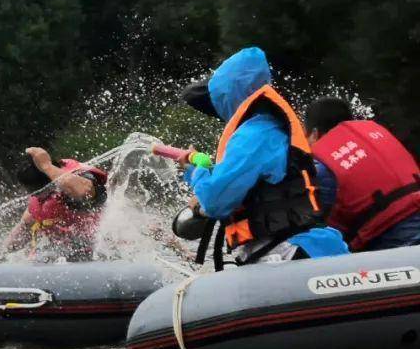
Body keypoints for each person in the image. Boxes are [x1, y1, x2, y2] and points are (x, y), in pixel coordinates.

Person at [177, 46, 348, 267]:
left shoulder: (253, 134)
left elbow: (215, 201)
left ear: (229, 94)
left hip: (287, 253)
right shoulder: (272, 126)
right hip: (313, 246)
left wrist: (194, 172)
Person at [304, 97, 420, 251]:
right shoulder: (376, 131)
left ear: (314, 133)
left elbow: (323, 227)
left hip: (394, 237)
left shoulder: (322, 165)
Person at [5, 147, 107, 262]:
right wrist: (3, 253)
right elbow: (26, 225)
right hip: (67, 252)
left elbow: (84, 190)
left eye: (37, 192)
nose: (34, 195)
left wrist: (46, 166)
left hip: (100, 252)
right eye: (30, 191)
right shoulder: (42, 198)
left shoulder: (76, 186)